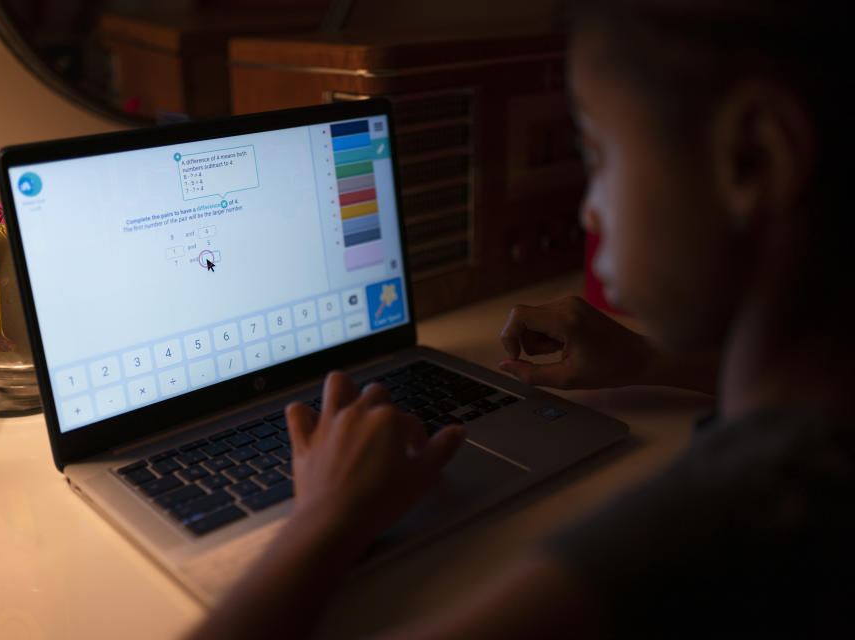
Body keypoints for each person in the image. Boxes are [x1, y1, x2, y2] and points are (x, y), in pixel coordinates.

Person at [190, 0, 855, 637]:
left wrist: (323, 519)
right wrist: (654, 363)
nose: (588, 212)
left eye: (598, 155)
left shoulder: (736, 521)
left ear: (757, 157)